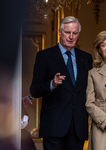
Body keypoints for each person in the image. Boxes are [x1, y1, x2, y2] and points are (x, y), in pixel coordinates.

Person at [29, 16, 93, 150]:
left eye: (74, 33)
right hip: (54, 126)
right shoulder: (45, 56)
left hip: (78, 128)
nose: (71, 37)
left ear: (78, 35)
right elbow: (34, 90)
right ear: (59, 32)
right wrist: (52, 84)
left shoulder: (86, 58)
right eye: (67, 32)